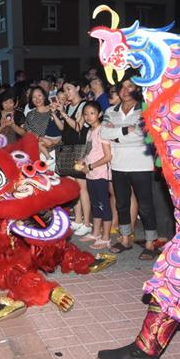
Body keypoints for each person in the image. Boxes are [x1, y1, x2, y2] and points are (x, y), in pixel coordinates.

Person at [100, 79, 161, 260]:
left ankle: (151, 242)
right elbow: (104, 133)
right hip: (118, 164)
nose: (126, 91)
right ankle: (125, 238)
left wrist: (118, 133)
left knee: (146, 205)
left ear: (137, 89)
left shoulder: (145, 109)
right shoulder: (111, 111)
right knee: (122, 204)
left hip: (141, 164)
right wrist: (128, 129)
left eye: (130, 87)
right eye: (123, 87)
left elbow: (142, 136)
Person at [77, 102, 112, 249]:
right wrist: (83, 161)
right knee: (95, 204)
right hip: (91, 174)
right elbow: (90, 151)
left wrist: (90, 166)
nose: (88, 116)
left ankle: (106, 237)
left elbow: (108, 156)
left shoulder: (102, 130)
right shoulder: (90, 132)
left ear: (99, 114)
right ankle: (96, 232)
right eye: (85, 114)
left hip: (101, 174)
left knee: (104, 204)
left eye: (92, 113)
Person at [59, 79, 91, 235]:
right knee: (73, 185)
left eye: (69, 88)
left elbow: (78, 127)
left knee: (82, 185)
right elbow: (63, 129)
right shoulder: (68, 106)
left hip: (80, 150)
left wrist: (64, 114)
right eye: (65, 90)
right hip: (68, 150)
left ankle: (87, 222)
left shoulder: (84, 106)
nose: (66, 92)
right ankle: (78, 219)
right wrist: (57, 113)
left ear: (78, 87)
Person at [23, 87, 62, 159]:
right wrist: (40, 138)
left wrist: (56, 141)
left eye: (39, 95)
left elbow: (63, 128)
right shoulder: (30, 115)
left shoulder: (53, 109)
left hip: (56, 148)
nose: (37, 99)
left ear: (44, 96)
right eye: (34, 97)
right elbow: (29, 132)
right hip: (37, 148)